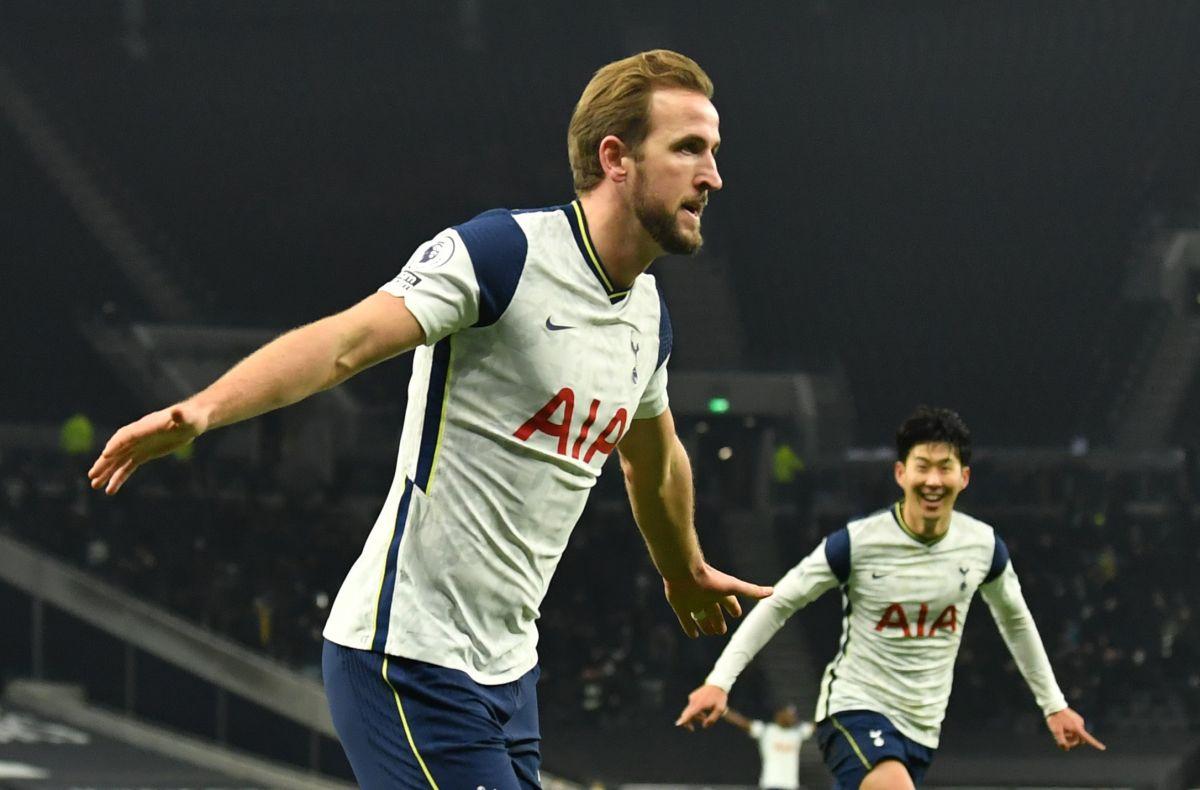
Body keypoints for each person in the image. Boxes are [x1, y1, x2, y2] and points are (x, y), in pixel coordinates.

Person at [88, 49, 772, 789]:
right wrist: (203, 410)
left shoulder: (648, 316)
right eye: (689, 149)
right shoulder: (502, 253)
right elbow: (347, 343)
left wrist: (683, 569)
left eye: (713, 151)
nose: (713, 175)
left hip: (509, 676)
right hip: (405, 658)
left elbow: (653, 454)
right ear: (616, 158)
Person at [676, 407, 1104, 789]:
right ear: (901, 473)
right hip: (854, 710)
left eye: (945, 467)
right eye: (922, 467)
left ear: (964, 477)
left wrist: (1055, 705)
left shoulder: (983, 548)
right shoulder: (857, 543)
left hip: (922, 728)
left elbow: (1016, 621)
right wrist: (720, 680)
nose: (933, 480)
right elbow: (781, 601)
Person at [720, 703, 815, 790]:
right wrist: (723, 711)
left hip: (791, 785)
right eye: (789, 714)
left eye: (793, 715)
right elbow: (743, 722)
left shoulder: (797, 732)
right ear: (779, 714)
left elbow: (818, 725)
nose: (793, 717)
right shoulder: (767, 730)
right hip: (771, 784)